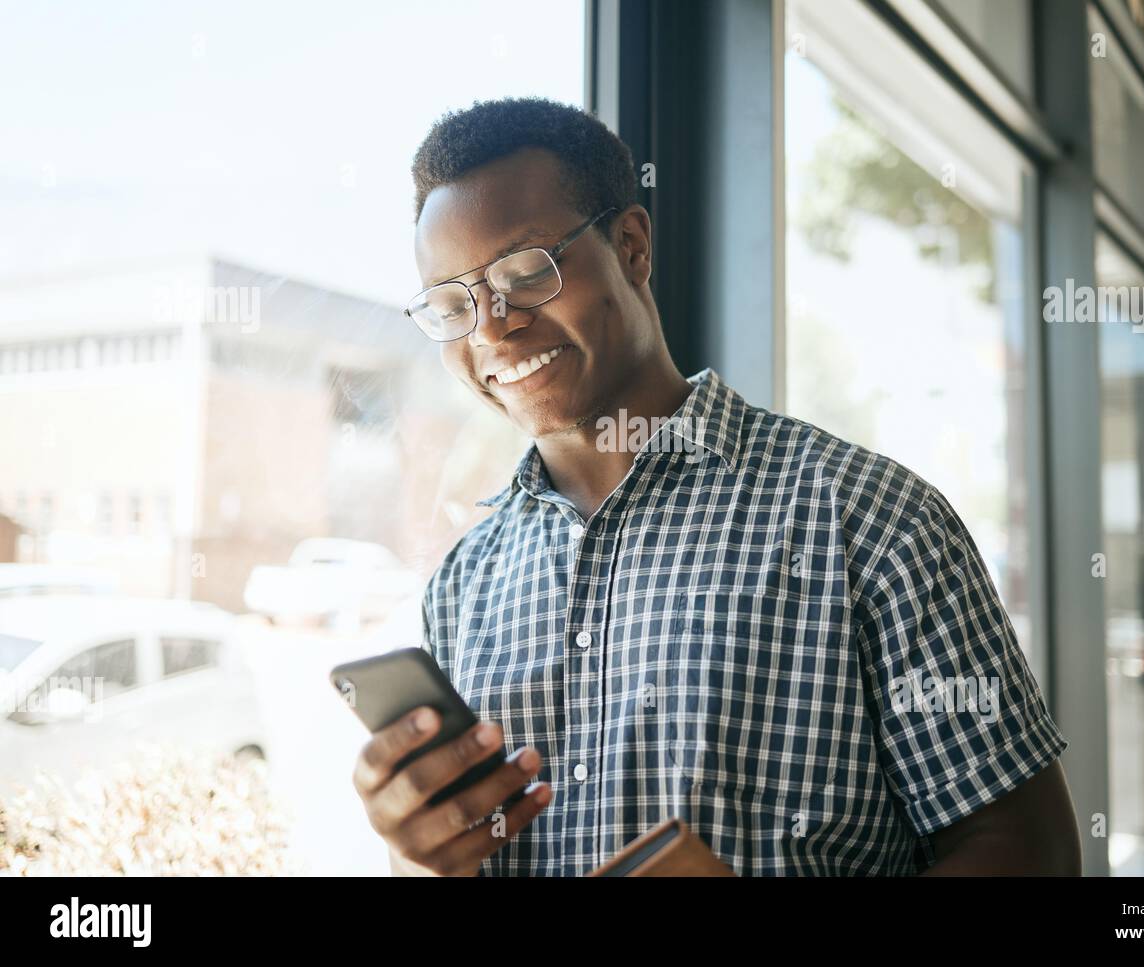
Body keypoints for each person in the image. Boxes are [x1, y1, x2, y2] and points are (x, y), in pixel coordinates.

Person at [351, 96, 1081, 876]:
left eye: (527, 273)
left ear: (631, 246)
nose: (492, 328)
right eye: (454, 304)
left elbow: (1023, 851)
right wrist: (422, 853)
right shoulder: (464, 586)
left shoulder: (874, 523)